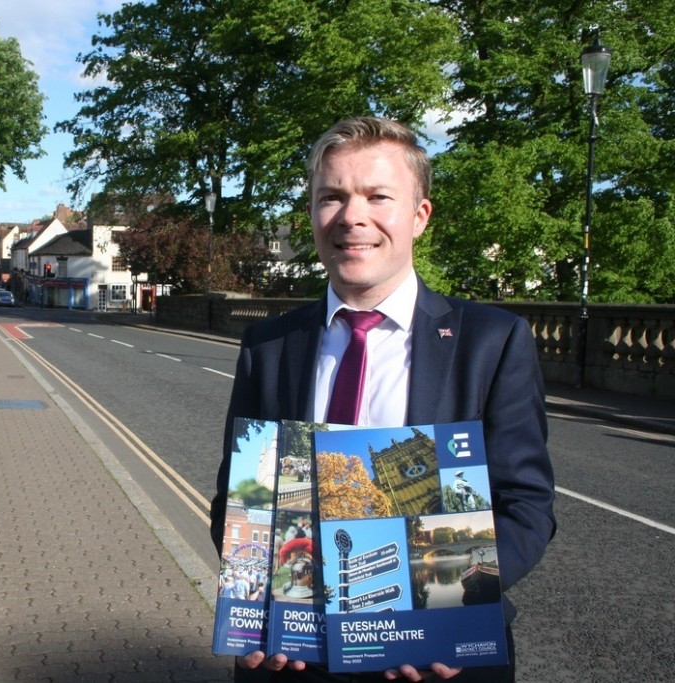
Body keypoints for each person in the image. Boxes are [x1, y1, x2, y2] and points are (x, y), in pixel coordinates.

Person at [210, 117, 555, 683]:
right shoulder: (268, 346)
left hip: (441, 655)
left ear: (419, 216)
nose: (352, 217)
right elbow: (240, 497)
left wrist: (453, 604)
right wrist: (258, 605)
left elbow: (526, 506)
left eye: (377, 196)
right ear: (312, 214)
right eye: (332, 197)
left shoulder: (492, 342)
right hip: (293, 657)